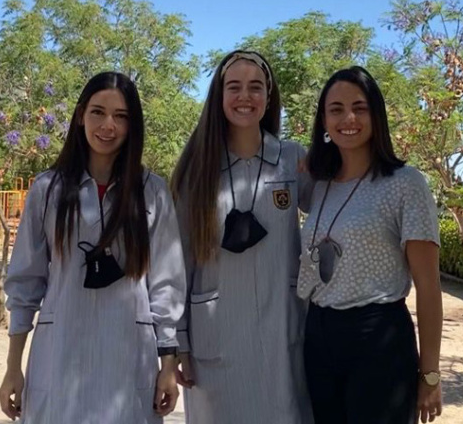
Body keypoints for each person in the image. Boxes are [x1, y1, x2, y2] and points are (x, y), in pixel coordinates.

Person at [0, 71, 186, 423]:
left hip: (130, 357)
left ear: (133, 125)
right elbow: (25, 283)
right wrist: (13, 368)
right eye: (98, 112)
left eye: (121, 116)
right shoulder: (47, 189)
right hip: (61, 354)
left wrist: (168, 364)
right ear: (81, 114)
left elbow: (166, 285)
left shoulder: (153, 191)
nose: (108, 125)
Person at [170, 50, 314, 424]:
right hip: (216, 340)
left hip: (281, 333)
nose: (244, 97)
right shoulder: (197, 170)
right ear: (219, 97)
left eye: (255, 87)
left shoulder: (293, 160)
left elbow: (335, 211)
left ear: (269, 97)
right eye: (234, 87)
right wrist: (179, 343)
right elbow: (178, 264)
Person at [298, 66, 444, 424]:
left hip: (378, 338)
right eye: (336, 109)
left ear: (376, 115)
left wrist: (430, 375)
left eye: (359, 108)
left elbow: (428, 286)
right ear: (323, 121)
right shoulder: (320, 184)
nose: (348, 118)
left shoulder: (405, 184)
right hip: (318, 335)